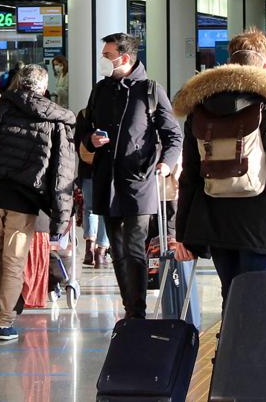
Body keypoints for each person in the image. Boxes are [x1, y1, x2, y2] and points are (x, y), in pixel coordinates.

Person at [171, 30, 266, 304]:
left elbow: (189, 176)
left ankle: (228, 347)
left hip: (215, 223)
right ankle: (246, 347)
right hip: (262, 223)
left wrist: (184, 236)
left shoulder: (199, 109)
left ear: (230, 61)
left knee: (232, 298)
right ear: (265, 64)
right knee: (257, 303)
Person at [0, 65, 76, 342]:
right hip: (23, 199)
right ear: (44, 88)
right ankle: (5, 322)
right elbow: (63, 171)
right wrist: (61, 216)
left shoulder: (0, 109)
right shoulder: (55, 120)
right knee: (13, 261)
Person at [83, 33, 182, 320]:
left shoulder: (150, 90)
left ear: (124, 58)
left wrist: (166, 163)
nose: (103, 60)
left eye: (107, 55)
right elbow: (85, 129)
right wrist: (91, 139)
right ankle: (130, 305)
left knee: (135, 245)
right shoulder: (101, 90)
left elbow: (173, 134)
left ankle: (136, 310)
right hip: (107, 179)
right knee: (117, 248)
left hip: (139, 180)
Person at [75, 109, 110, 268]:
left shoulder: (83, 114)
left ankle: (89, 248)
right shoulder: (113, 113)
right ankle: (101, 252)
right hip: (107, 169)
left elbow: (78, 143)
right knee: (105, 210)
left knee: (89, 208)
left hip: (87, 168)